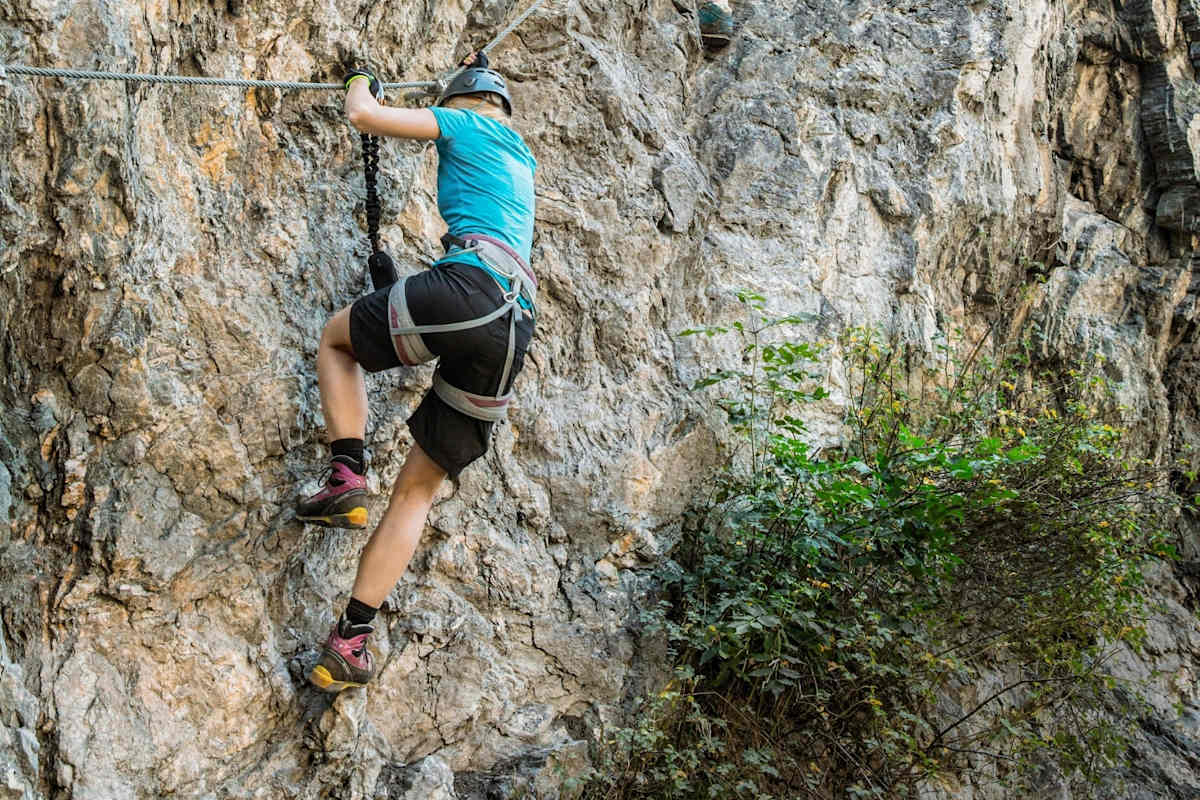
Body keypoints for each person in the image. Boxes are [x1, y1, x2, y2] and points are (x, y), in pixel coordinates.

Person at [297, 53, 537, 692]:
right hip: (513, 329)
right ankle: (350, 641)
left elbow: (366, 116)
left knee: (337, 340)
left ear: (463, 107)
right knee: (417, 493)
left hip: (471, 287)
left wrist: (359, 83)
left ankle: (346, 473)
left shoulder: (472, 125)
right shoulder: (522, 158)